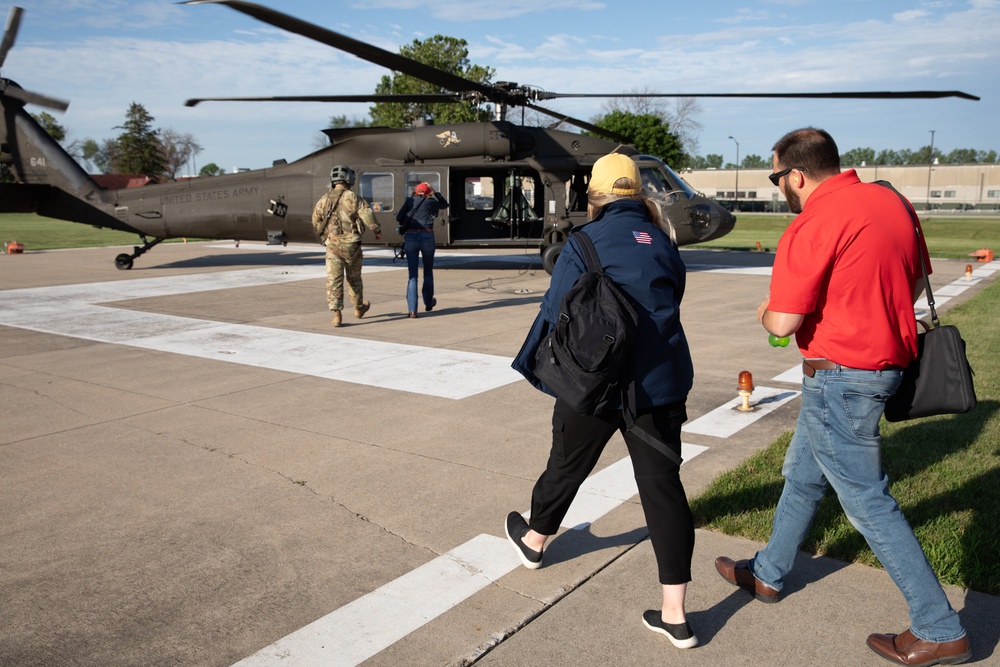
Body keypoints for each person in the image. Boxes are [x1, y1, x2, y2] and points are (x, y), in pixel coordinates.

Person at [715, 128, 970, 666]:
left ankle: (939, 626)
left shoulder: (814, 221)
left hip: (840, 376)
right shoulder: (891, 201)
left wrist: (765, 312)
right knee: (803, 474)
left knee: (867, 503)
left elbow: (782, 320)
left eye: (777, 177)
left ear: (797, 175)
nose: (779, 186)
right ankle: (768, 573)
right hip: (881, 368)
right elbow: (912, 274)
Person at [509, 152, 698, 649]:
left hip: (594, 383)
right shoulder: (661, 240)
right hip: (657, 387)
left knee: (567, 463)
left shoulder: (583, 241)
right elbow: (673, 296)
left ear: (594, 196)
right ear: (638, 195)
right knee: (663, 489)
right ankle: (676, 615)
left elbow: (556, 310)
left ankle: (534, 542)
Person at [312, 165, 381, 327]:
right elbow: (367, 214)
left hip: (333, 246)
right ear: (349, 179)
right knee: (354, 278)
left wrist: (327, 237)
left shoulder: (323, 199)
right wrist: (376, 230)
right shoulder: (353, 197)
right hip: (352, 246)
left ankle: (337, 315)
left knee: (334, 280)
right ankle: (358, 308)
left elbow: (316, 221)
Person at [396, 182, 448, 318]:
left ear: (415, 191)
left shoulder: (410, 201)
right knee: (428, 272)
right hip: (427, 236)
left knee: (412, 275)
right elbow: (445, 204)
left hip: (411, 237)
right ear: (428, 192)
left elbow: (399, 218)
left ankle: (412, 310)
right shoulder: (432, 202)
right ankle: (428, 302)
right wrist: (435, 192)